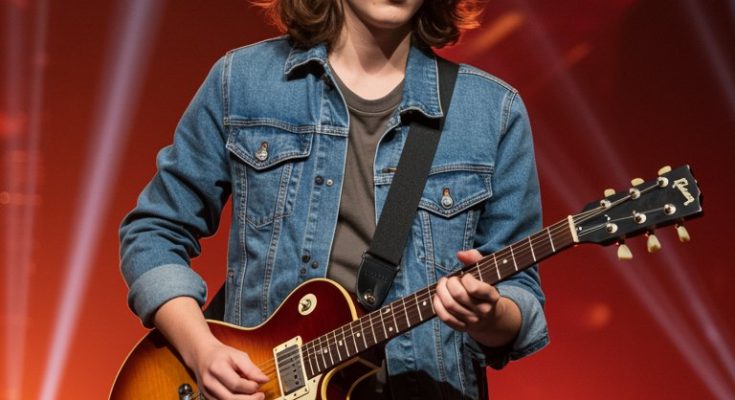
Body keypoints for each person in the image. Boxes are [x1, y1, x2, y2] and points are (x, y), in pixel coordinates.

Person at [119, 0, 549, 399]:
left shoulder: (493, 112)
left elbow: (520, 295)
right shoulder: (243, 81)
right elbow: (153, 232)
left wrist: (491, 316)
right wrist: (201, 350)